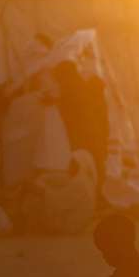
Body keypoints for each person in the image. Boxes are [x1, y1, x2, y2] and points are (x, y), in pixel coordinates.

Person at [52, 60, 110, 188]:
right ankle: (97, 193)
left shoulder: (72, 87)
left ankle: (91, 194)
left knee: (85, 164)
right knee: (95, 163)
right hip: (92, 133)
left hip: (82, 134)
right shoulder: (82, 85)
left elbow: (70, 110)